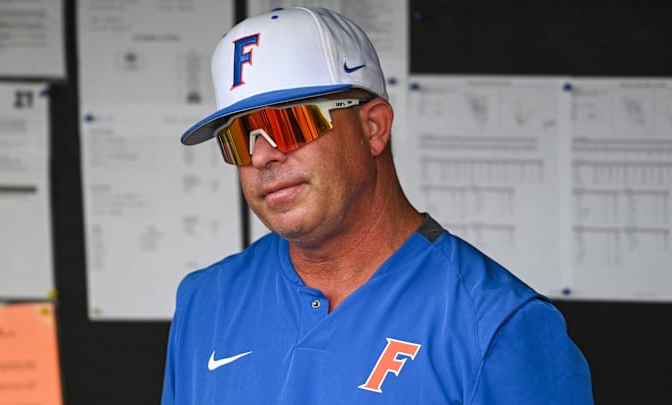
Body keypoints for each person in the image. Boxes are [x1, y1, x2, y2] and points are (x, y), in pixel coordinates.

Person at [161, 6, 593, 404]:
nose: (262, 156)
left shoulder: (498, 327)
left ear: (373, 127)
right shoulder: (206, 303)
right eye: (239, 137)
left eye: (288, 122)